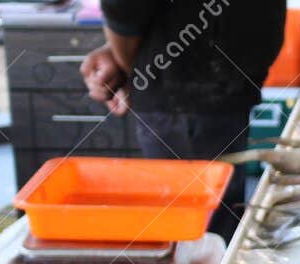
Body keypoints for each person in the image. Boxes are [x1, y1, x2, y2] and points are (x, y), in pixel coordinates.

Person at [81, 0, 286, 239]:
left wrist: (133, 66)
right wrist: (132, 64)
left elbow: (127, 12)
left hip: (210, 89)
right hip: (194, 91)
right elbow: (126, 12)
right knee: (200, 231)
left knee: (210, 228)